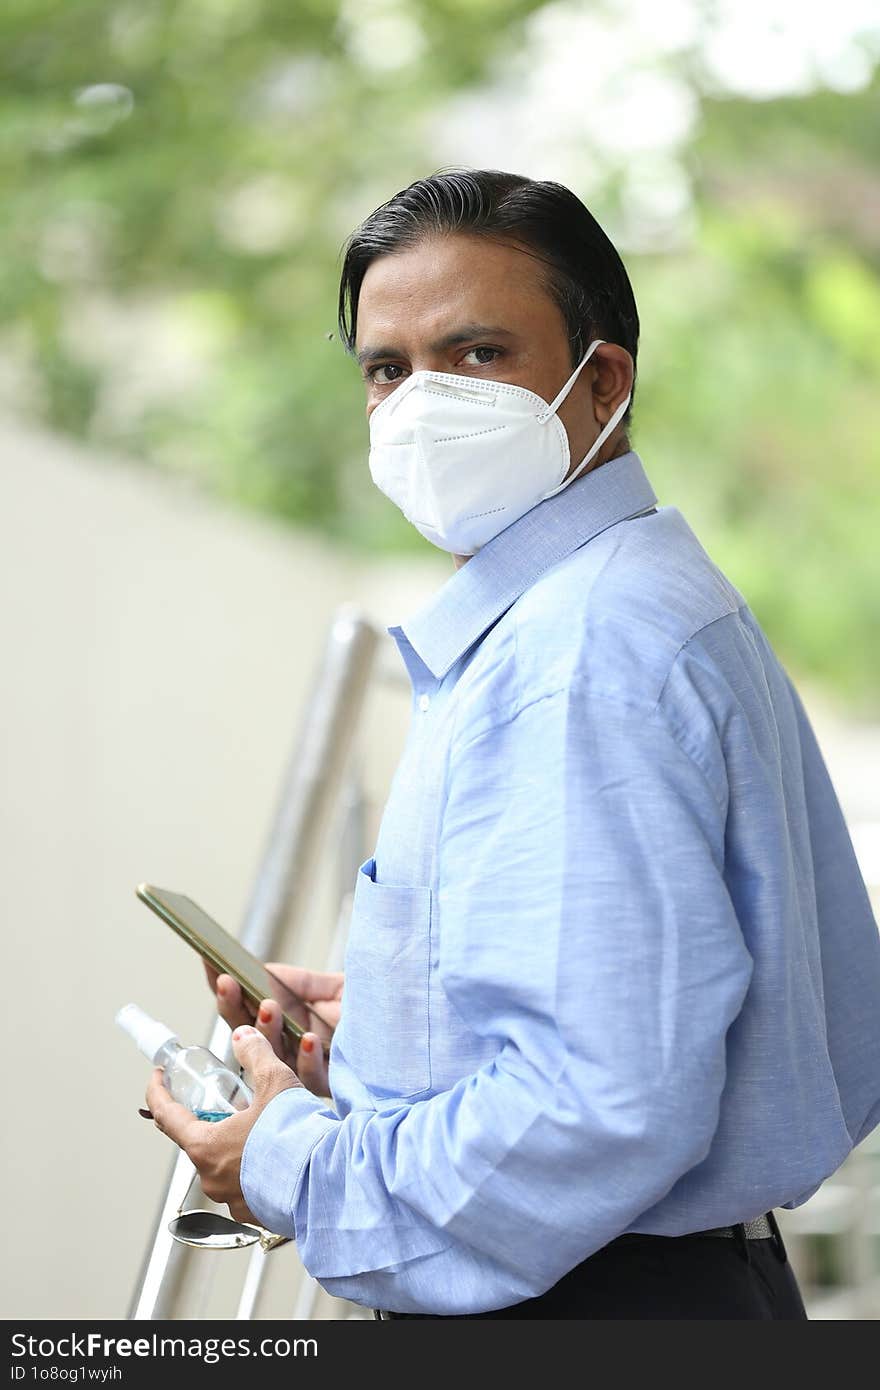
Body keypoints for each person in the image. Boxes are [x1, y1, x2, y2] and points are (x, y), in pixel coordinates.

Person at [145, 169, 880, 1320]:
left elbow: (599, 1101)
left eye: (478, 353)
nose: (422, 403)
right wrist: (394, 1038)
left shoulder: (580, 653)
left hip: (594, 1300)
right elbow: (624, 1021)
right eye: (387, 369)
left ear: (604, 383)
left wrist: (289, 1158)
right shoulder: (618, 608)